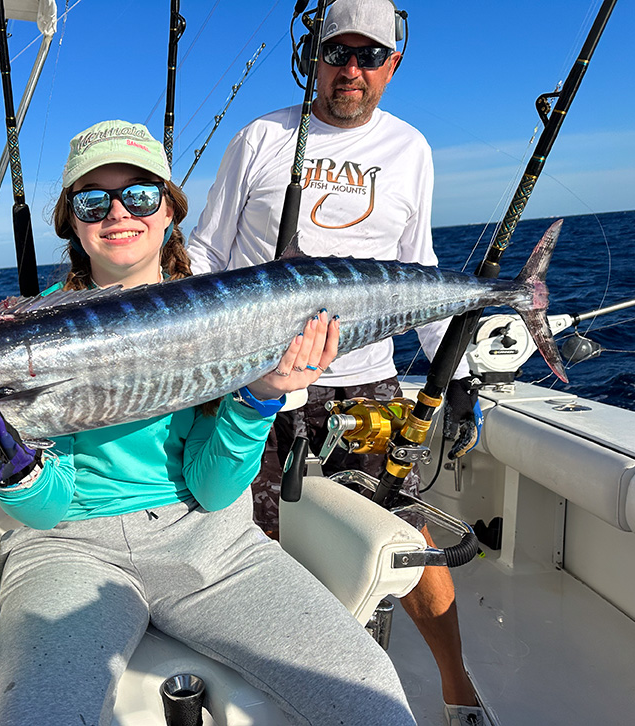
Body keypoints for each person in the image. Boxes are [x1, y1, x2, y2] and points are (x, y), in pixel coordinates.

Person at [0, 119, 416, 726]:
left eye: (139, 195)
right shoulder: (27, 336)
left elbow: (213, 491)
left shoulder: (228, 315)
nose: (118, 213)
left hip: (212, 545)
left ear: (169, 211)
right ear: (71, 223)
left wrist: (260, 396)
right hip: (66, 554)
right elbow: (50, 510)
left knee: (371, 696)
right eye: (93, 201)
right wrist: (18, 476)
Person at [186, 2, 486, 725]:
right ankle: (285, 694)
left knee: (402, 537)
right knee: (250, 541)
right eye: (336, 52)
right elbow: (207, 253)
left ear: (393, 64)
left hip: (365, 383)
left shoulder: (411, 148)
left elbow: (416, 273)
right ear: (311, 57)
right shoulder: (262, 137)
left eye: (369, 55)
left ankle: (458, 688)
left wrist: (458, 372)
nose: (351, 69)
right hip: (257, 380)